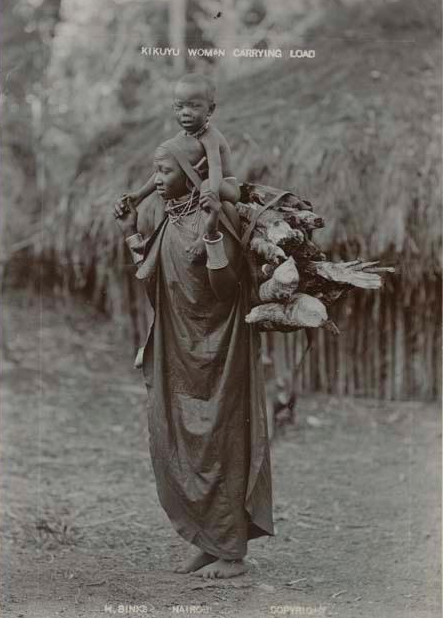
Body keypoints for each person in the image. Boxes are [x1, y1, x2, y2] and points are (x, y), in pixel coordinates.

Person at [114, 135, 274, 579]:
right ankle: (209, 540)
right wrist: (129, 230)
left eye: (164, 172)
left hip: (219, 351)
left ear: (188, 175)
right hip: (180, 349)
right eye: (155, 171)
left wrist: (212, 235)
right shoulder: (168, 219)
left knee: (220, 441)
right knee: (186, 441)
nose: (156, 180)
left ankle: (232, 552)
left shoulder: (213, 214)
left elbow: (227, 291)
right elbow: (155, 283)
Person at [120, 73, 240, 263]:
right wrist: (140, 195)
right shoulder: (181, 138)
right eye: (179, 106)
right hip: (199, 188)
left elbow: (215, 169)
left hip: (225, 187)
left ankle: (204, 238)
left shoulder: (211, 137)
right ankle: (154, 240)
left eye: (194, 106)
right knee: (167, 195)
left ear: (210, 110)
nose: (185, 112)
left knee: (208, 182)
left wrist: (211, 192)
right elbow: (163, 170)